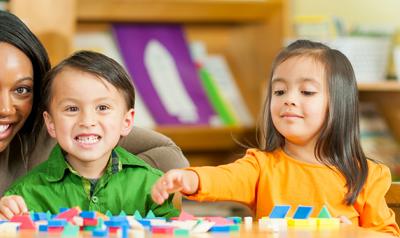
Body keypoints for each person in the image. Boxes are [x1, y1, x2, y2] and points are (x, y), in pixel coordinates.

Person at [151, 40, 400, 236]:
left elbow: (386, 234)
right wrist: (189, 178)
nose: (288, 99)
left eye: (307, 91)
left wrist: (352, 235)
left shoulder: (366, 175)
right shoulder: (260, 166)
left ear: (339, 104)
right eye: (279, 91)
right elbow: (224, 177)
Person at [0, 10, 188, 201]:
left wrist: (100, 186)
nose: (5, 109)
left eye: (22, 89)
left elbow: (170, 157)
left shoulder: (55, 129)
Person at [1, 51, 180, 218]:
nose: (87, 121)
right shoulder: (24, 195)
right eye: (72, 109)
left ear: (126, 121)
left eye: (102, 108)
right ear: (51, 123)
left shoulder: (153, 185)